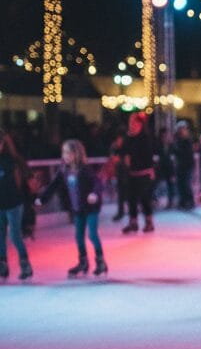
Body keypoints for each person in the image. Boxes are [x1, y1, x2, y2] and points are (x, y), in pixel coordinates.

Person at [36, 139, 108, 278]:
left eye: (68, 153)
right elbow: (53, 185)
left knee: (92, 234)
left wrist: (94, 193)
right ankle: (83, 262)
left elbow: (97, 183)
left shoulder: (85, 169)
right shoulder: (64, 170)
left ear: (76, 154)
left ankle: (100, 261)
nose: (65, 156)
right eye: (63, 153)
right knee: (78, 237)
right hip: (78, 209)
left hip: (91, 208)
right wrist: (42, 198)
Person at [0, 131, 33, 280]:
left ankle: (25, 263)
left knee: (14, 235)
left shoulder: (13, 160)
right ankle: (2, 265)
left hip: (14, 204)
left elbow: (22, 183)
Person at [121, 111, 158, 233]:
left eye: (134, 122)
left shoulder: (145, 138)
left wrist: (132, 159)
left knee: (144, 198)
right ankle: (133, 222)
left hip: (144, 173)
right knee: (131, 198)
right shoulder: (128, 138)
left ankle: (149, 222)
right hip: (132, 172)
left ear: (140, 124)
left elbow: (147, 156)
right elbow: (124, 152)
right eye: (130, 122)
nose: (131, 124)